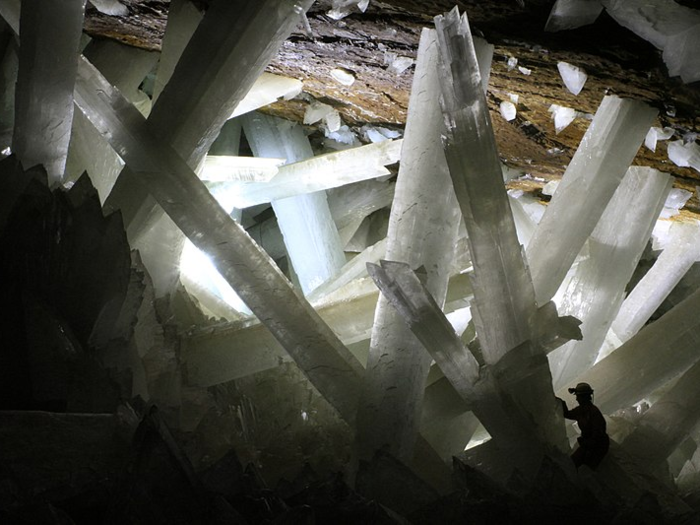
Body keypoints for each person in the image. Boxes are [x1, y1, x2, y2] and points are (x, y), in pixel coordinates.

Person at [556, 382, 609, 469]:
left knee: (578, 466)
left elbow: (598, 433)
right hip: (589, 444)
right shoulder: (581, 411)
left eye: (578, 396)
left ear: (584, 397)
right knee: (573, 464)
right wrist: (561, 403)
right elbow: (567, 414)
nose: (576, 399)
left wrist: (588, 447)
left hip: (598, 446)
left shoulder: (593, 412)